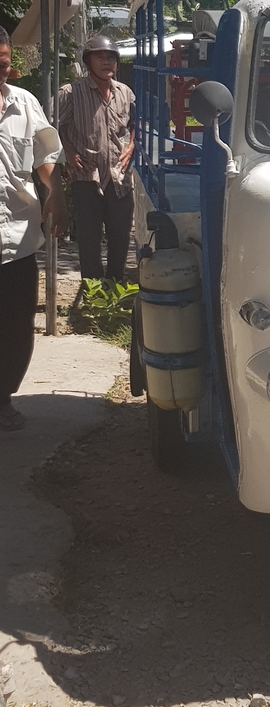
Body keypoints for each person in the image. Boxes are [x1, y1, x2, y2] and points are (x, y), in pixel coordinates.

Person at [0, 25, 67, 432]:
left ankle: (4, 398)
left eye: (4, 65)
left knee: (16, 321)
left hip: (16, 239)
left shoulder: (24, 104)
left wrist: (55, 192)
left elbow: (45, 155)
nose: (0, 73)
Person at [58, 35, 135, 281]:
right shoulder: (70, 93)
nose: (106, 62)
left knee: (120, 237)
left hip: (119, 178)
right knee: (89, 240)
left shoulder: (125, 92)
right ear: (88, 61)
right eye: (100, 57)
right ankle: (93, 294)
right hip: (86, 176)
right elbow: (48, 128)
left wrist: (132, 145)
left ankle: (114, 289)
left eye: (110, 57)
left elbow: (137, 124)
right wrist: (66, 150)